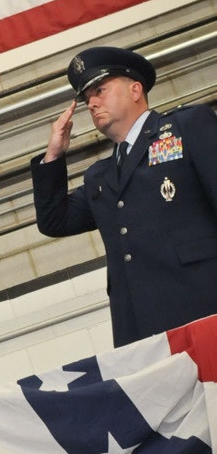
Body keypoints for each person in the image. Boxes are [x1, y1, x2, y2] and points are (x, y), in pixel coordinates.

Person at [31, 45, 217, 347]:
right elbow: (54, 220)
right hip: (140, 329)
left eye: (100, 90)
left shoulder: (186, 127)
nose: (91, 103)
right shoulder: (100, 176)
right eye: (86, 98)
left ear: (135, 89)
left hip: (202, 309)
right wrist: (54, 154)